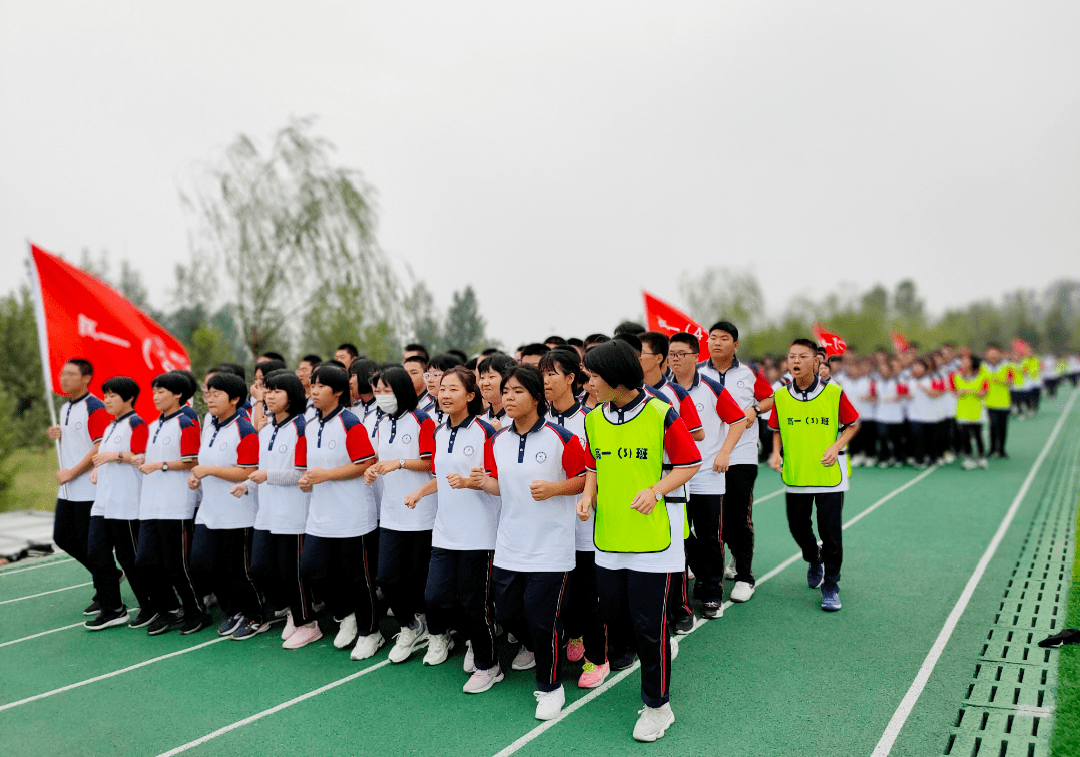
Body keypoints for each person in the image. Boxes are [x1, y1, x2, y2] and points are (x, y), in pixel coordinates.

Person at [577, 340, 701, 742]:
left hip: (653, 543)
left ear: (613, 377)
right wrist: (586, 494)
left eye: (593, 376)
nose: (588, 382)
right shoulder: (593, 419)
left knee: (648, 627)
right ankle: (660, 644)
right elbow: (594, 463)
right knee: (617, 618)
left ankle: (657, 707)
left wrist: (656, 490)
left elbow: (690, 462)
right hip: (609, 537)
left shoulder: (660, 413)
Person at [470, 364, 589, 721]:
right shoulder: (497, 441)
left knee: (541, 619)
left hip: (551, 547)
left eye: (517, 391)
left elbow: (584, 481)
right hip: (510, 544)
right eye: (505, 391)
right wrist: (481, 483)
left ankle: (551, 687)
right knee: (507, 612)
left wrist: (554, 488)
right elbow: (501, 486)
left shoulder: (561, 438)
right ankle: (556, 640)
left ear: (537, 397)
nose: (508, 397)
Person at [405, 367, 503, 693]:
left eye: (453, 389)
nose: (444, 395)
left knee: (474, 603)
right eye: (442, 389)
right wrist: (420, 492)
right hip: (445, 531)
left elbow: (499, 484)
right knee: (436, 597)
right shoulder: (439, 431)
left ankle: (489, 664)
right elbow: (441, 474)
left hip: (479, 534)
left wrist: (472, 482)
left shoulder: (485, 432)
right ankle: (475, 639)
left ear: (471, 396)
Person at [768, 339, 860, 613]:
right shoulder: (781, 396)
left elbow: (852, 424)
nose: (795, 361)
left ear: (816, 362)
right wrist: (776, 453)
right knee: (798, 527)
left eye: (802, 356)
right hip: (796, 473)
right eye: (791, 356)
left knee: (831, 534)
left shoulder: (833, 392)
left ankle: (831, 585)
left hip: (829, 473)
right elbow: (776, 428)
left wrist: (835, 446)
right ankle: (813, 557)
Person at [297, 364, 382, 659]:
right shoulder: (310, 425)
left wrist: (326, 475)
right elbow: (312, 469)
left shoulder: (350, 423)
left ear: (337, 391)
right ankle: (345, 615)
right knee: (311, 569)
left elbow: (366, 462)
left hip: (352, 515)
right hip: (321, 515)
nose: (314, 391)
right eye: (313, 385)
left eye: (321, 386)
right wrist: (308, 480)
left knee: (358, 578)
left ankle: (370, 632)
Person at [234, 370, 320, 648]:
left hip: (293, 513)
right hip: (267, 513)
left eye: (276, 391)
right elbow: (261, 469)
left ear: (291, 396)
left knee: (291, 571)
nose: (269, 396)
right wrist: (248, 484)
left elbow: (301, 474)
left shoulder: (302, 427)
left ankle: (308, 623)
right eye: (266, 391)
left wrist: (266, 476)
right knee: (260, 567)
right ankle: (294, 613)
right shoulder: (267, 428)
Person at [540, 348, 609, 688]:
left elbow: (598, 471)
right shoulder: (539, 421)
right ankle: (575, 634)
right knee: (559, 594)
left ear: (571, 378)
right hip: (549, 525)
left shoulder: (591, 420)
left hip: (584, 524)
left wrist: (586, 496)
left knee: (587, 594)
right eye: (542, 374)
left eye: (553, 374)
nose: (546, 381)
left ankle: (598, 657)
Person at [667, 332, 749, 609]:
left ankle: (712, 589)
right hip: (674, 476)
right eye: (671, 354)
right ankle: (698, 578)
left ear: (696, 357)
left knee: (708, 534)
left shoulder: (712, 388)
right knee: (680, 533)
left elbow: (738, 420)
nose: (675, 360)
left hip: (706, 476)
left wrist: (725, 451)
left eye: (681, 354)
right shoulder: (663, 391)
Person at [364, 366, 438, 664]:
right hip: (392, 514)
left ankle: (437, 633)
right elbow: (380, 460)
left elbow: (433, 464)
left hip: (421, 512)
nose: (382, 396)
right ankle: (410, 626)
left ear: (402, 389)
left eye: (387, 390)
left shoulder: (422, 420)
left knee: (421, 578)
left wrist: (401, 463)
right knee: (387, 577)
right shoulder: (381, 422)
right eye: (378, 391)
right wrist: (374, 469)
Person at [696, 322, 773, 598]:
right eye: (712, 338)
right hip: (707, 457)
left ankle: (745, 576)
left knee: (737, 516)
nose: (716, 343)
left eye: (723, 338)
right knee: (706, 519)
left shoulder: (749, 373)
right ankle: (709, 570)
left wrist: (754, 408)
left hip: (741, 454)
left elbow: (769, 399)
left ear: (735, 345)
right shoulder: (698, 374)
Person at [188, 372, 265, 640]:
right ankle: (233, 610)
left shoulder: (244, 429)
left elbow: (249, 471)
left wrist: (208, 469)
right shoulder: (210, 424)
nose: (209, 399)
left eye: (216, 394)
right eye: (208, 393)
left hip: (237, 513)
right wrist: (197, 477)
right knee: (202, 564)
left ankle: (255, 615)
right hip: (210, 511)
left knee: (238, 570)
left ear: (234, 399)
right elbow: (204, 463)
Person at [135, 371, 206, 635]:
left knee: (177, 565)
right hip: (151, 504)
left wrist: (159, 465)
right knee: (144, 561)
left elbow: (193, 461)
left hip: (176, 504)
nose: (155, 396)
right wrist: (142, 459)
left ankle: (195, 611)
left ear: (178, 394)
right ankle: (169, 609)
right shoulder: (154, 425)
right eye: (153, 391)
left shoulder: (186, 422)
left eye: (161, 391)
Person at [47, 358, 115, 615]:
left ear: (86, 378)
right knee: (62, 537)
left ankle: (108, 596)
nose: (64, 378)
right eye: (62, 374)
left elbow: (99, 446)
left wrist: (72, 473)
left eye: (70, 374)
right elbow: (78, 440)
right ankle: (107, 577)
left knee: (94, 546)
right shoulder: (65, 408)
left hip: (87, 487)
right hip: (67, 490)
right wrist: (59, 434)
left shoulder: (94, 407)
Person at [84, 377, 149, 630]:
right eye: (105, 395)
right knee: (96, 553)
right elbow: (105, 457)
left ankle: (150, 605)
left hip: (127, 502)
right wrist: (100, 469)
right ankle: (112, 609)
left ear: (129, 398)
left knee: (129, 558)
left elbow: (143, 457)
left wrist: (116, 456)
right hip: (104, 502)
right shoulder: (111, 426)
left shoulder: (136, 423)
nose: (107, 400)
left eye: (112, 395)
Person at [951, 354, 989, 470]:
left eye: (966, 360)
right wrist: (959, 393)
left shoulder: (982, 377)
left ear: (972, 363)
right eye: (962, 360)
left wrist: (970, 391)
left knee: (978, 435)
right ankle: (968, 458)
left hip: (977, 410)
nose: (963, 362)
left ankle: (982, 457)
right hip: (962, 411)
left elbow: (984, 392)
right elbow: (954, 392)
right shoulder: (956, 377)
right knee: (965, 436)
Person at [982, 344, 1014, 459]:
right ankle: (991, 449)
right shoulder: (982, 367)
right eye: (990, 353)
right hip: (989, 402)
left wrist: (999, 380)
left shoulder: (1007, 366)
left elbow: (1011, 381)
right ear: (986, 354)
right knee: (993, 425)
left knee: (1003, 427)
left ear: (1000, 354)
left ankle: (1001, 449)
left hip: (1004, 402)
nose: (993, 355)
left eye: (995, 352)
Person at [478, 353, 515, 429]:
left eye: (491, 377)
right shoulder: (480, 421)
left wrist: (499, 433)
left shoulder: (519, 419)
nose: (485, 383)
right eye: (482, 378)